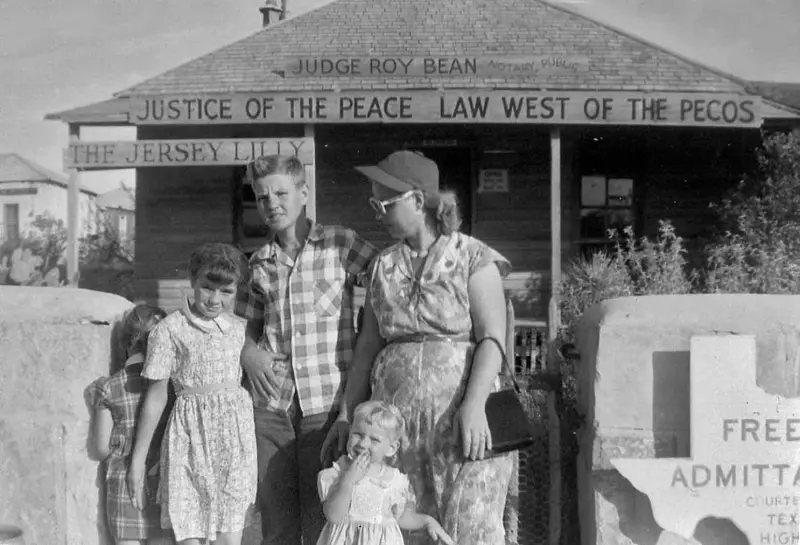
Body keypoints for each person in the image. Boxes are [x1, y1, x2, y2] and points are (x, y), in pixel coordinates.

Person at [322, 150, 515, 545]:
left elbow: (493, 337)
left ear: (417, 199)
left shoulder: (474, 257)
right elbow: (367, 347)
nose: (377, 213)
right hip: (399, 426)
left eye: (384, 203)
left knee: (470, 524)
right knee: (403, 524)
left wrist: (475, 404)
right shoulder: (381, 266)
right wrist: (345, 415)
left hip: (463, 416)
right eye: (373, 203)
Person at [235, 154, 378, 545]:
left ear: (303, 193)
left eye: (281, 193)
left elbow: (387, 279)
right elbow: (239, 329)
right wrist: (247, 352)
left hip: (326, 405)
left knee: (323, 520)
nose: (272, 204)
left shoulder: (340, 244)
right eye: (262, 198)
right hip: (271, 408)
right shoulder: (258, 263)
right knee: (276, 522)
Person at [127, 242, 257, 545]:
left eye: (226, 292)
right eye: (207, 288)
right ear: (192, 280)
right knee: (189, 534)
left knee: (229, 536)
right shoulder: (169, 330)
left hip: (235, 442)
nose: (214, 299)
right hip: (189, 440)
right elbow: (156, 397)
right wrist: (138, 461)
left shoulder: (239, 329)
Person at [88, 304, 174, 545]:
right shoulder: (169, 388)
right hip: (162, 486)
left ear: (125, 344)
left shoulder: (109, 387)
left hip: (122, 486)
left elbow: (101, 449)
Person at [317, 401, 454, 545]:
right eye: (357, 434)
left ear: (391, 448)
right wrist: (348, 481)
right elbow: (333, 516)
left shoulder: (394, 480)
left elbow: (401, 517)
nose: (363, 444)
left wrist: (427, 521)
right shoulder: (335, 474)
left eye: (374, 440)